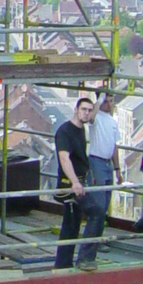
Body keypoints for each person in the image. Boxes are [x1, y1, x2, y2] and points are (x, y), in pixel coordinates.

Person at [54, 92, 99, 269]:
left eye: (89, 110)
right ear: (76, 110)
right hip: (69, 185)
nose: (87, 113)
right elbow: (64, 159)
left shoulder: (80, 129)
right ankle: (82, 259)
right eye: (83, 110)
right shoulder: (65, 132)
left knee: (72, 225)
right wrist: (74, 182)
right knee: (95, 213)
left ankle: (64, 264)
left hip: (78, 182)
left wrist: (101, 97)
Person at [82, 89, 121, 265]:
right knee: (97, 208)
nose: (110, 104)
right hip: (96, 161)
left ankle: (95, 245)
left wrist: (118, 169)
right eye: (107, 101)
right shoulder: (96, 118)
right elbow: (90, 117)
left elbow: (114, 146)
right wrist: (99, 100)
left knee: (103, 208)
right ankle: (86, 253)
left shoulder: (112, 122)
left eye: (112, 101)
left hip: (107, 164)